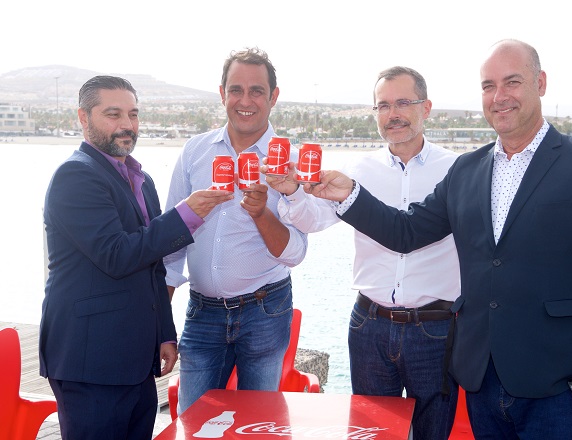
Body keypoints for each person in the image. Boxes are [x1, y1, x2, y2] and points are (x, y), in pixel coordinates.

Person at [302, 39, 572, 439]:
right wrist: (349, 194)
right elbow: (406, 231)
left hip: (560, 379)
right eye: (488, 86)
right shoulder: (465, 170)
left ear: (540, 83)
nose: (499, 96)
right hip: (482, 378)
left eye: (512, 82)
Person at [265, 66, 460, 440]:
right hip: (370, 326)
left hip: (435, 329)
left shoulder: (456, 170)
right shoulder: (358, 169)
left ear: (426, 107)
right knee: (371, 433)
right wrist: (293, 192)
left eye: (403, 103)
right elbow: (312, 220)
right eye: (383, 106)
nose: (392, 114)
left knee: (433, 433)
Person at [40, 75, 230, 440]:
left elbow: (153, 265)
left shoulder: (142, 180)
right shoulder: (75, 176)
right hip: (89, 361)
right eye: (113, 114)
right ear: (83, 117)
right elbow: (116, 255)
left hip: (136, 361)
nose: (127, 124)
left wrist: (164, 332)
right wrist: (185, 215)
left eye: (133, 114)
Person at [164, 47, 308, 414]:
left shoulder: (290, 164)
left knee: (258, 425)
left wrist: (261, 214)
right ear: (222, 93)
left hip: (265, 312)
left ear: (273, 97)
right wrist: (160, 325)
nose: (245, 101)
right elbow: (170, 243)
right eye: (236, 90)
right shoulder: (195, 151)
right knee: (193, 424)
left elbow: (295, 253)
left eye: (257, 91)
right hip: (201, 312)